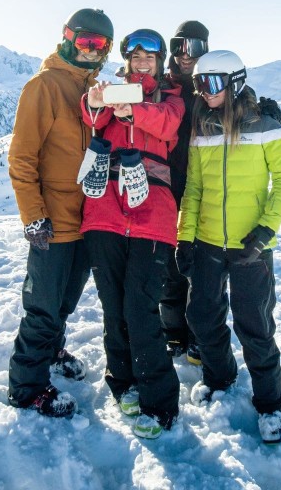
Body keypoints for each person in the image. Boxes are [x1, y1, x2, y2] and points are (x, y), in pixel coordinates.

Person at [177, 50, 281, 444]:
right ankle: (218, 376)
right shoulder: (202, 129)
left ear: (235, 82)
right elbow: (193, 189)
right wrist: (185, 237)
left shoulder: (266, 127)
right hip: (209, 241)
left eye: (210, 84)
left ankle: (271, 404)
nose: (203, 92)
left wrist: (265, 231)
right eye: (198, 84)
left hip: (252, 247)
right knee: (203, 315)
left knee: (255, 325)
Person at [7, 8, 114, 418]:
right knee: (43, 307)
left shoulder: (95, 89)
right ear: (68, 38)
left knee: (65, 302)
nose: (91, 51)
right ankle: (27, 387)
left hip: (86, 220)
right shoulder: (44, 86)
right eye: (85, 41)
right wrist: (33, 216)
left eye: (99, 45)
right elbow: (22, 158)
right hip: (52, 223)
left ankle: (51, 352)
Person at [80, 28, 184, 439]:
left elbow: (167, 126)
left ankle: (159, 401)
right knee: (113, 304)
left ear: (159, 63)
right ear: (126, 58)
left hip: (152, 214)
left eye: (150, 57)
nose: (143, 62)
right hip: (104, 211)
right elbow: (90, 118)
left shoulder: (169, 99)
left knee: (141, 307)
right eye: (136, 55)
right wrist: (95, 100)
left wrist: (132, 111)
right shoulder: (110, 89)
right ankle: (122, 382)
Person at [160, 20, 209, 363]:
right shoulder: (166, 86)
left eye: (194, 47)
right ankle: (173, 331)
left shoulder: (212, 84)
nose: (186, 55)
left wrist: (260, 108)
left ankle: (197, 334)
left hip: (205, 185)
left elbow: (238, 104)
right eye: (179, 46)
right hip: (168, 184)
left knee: (202, 263)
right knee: (169, 261)